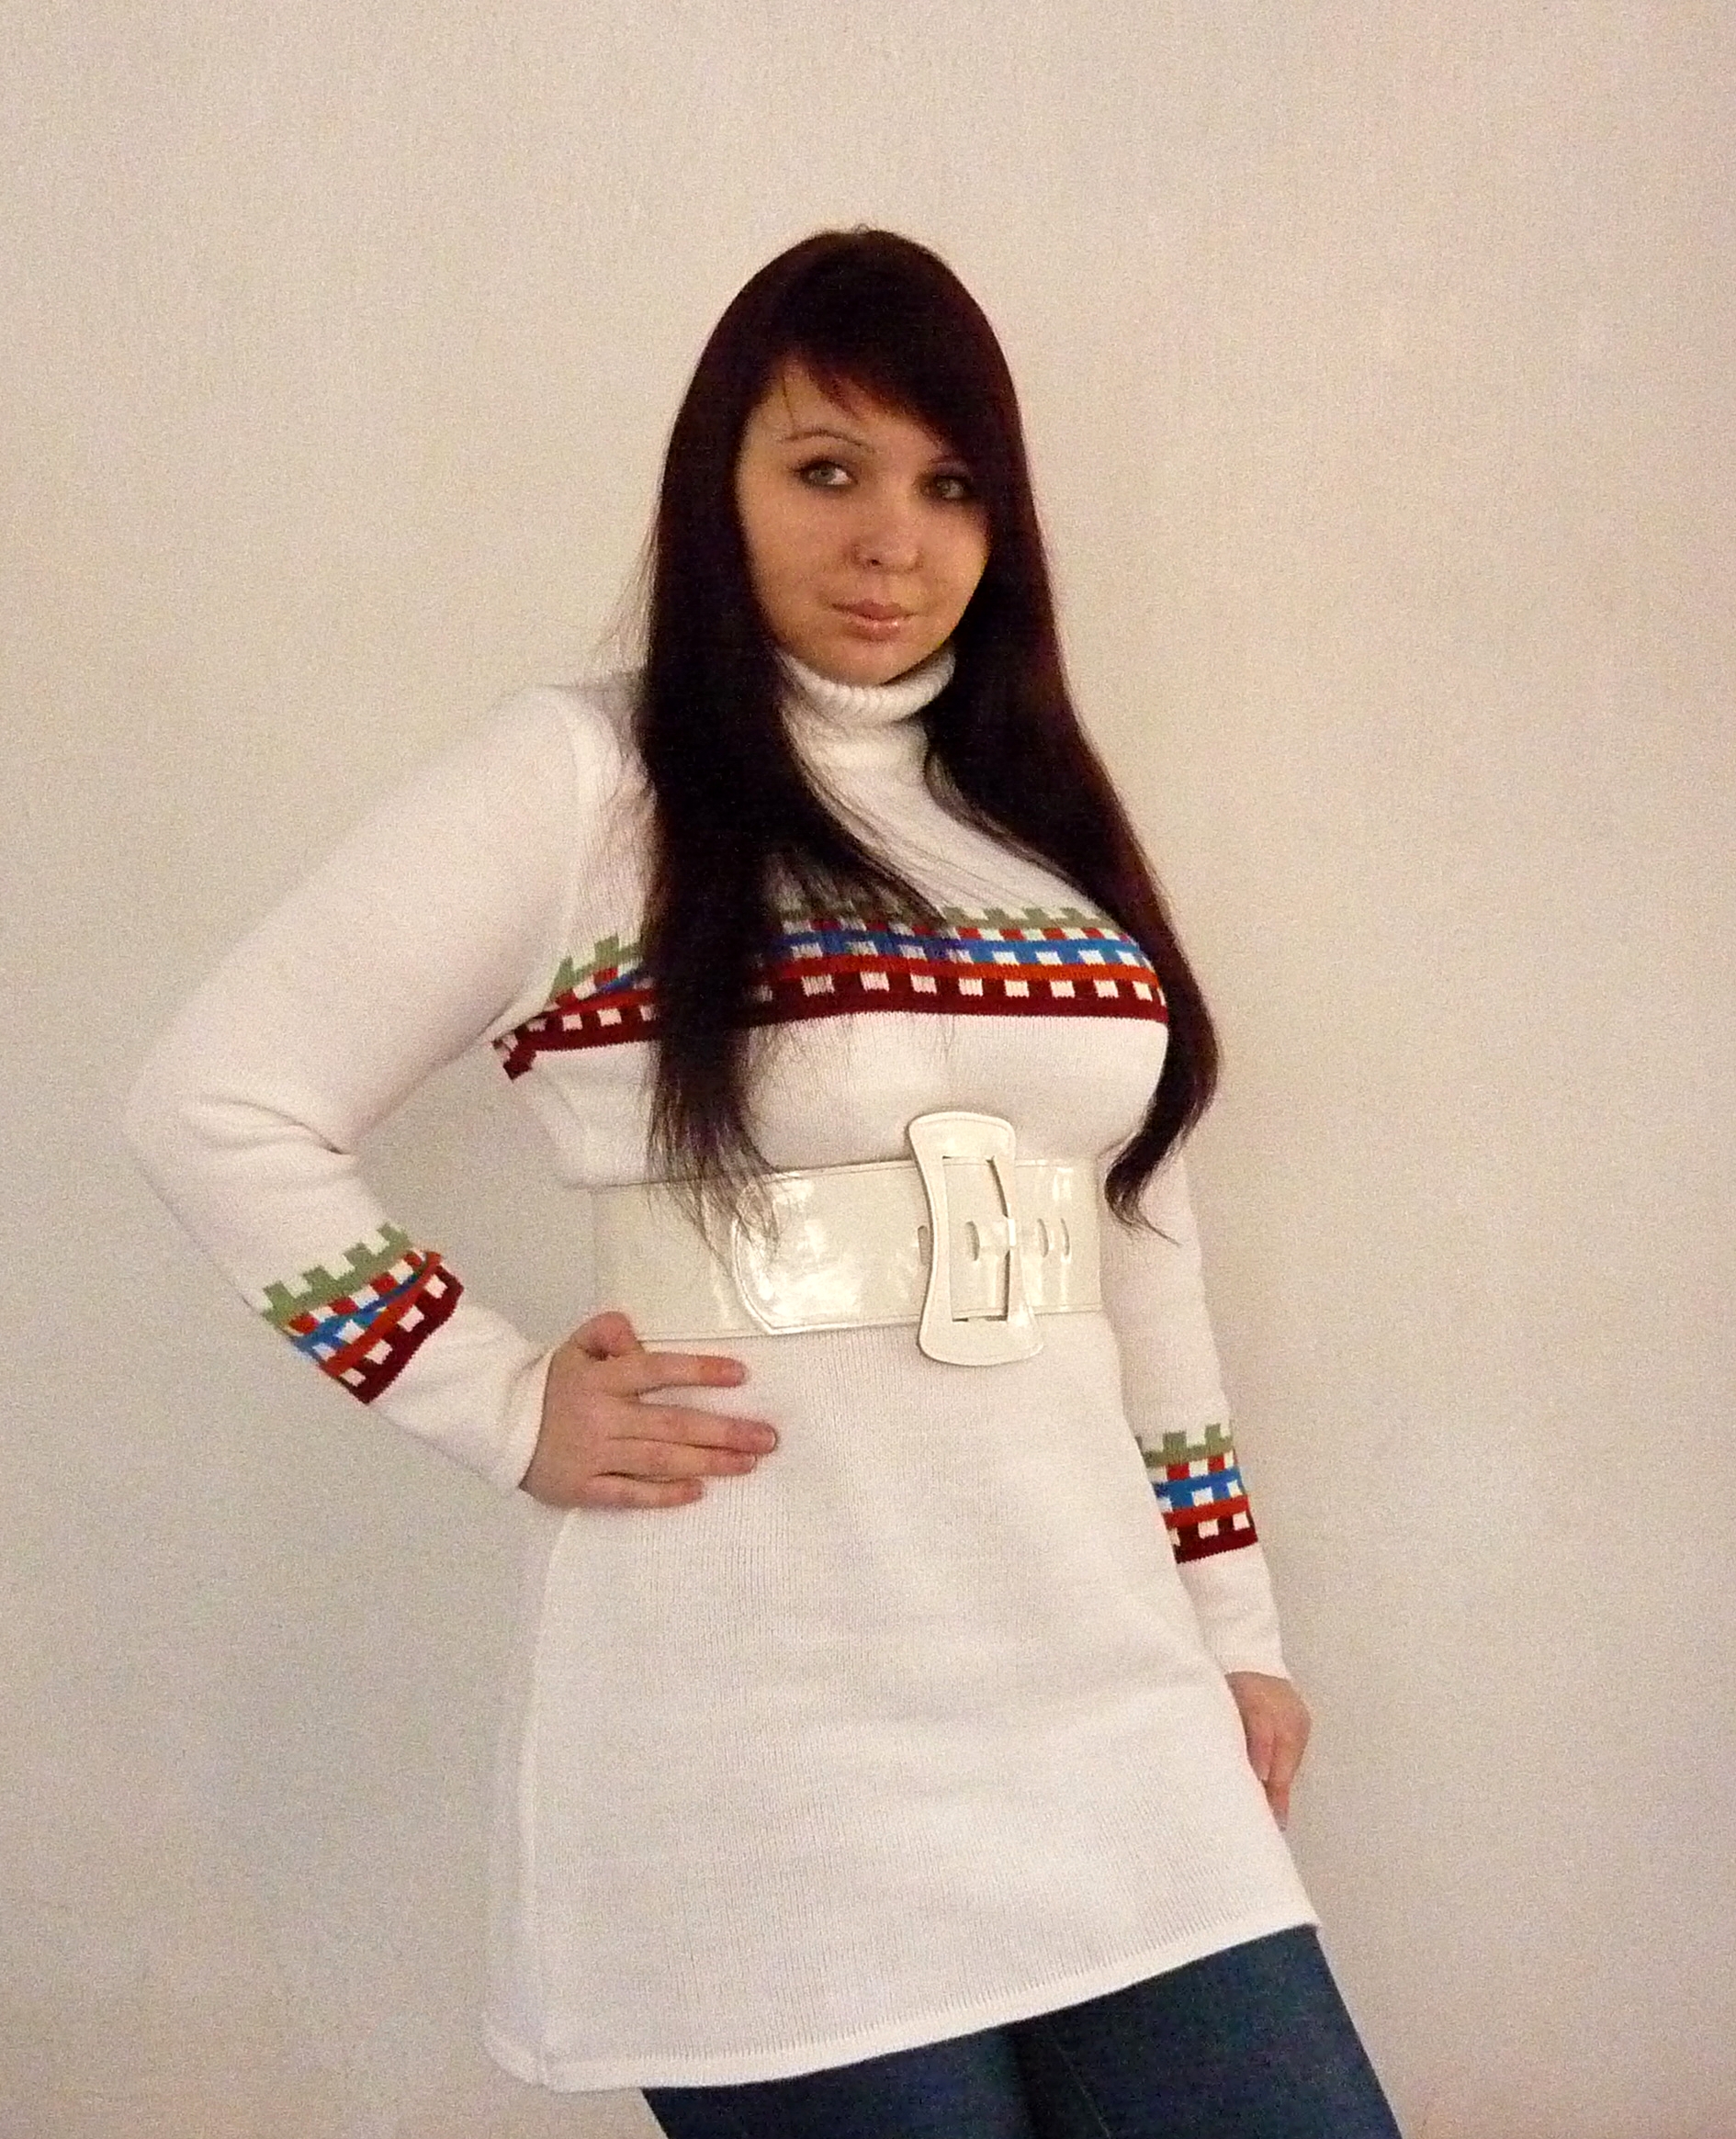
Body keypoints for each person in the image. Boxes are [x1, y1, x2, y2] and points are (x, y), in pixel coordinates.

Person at [125, 229, 1402, 2137]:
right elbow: (216, 1099)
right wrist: (498, 1399)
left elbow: (1140, 1241)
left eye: (949, 486)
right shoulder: (588, 777)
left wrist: (1233, 1631)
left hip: (1101, 1700)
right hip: (763, 1735)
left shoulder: (1036, 822)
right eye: (826, 469)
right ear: (714, 486)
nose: (893, 540)